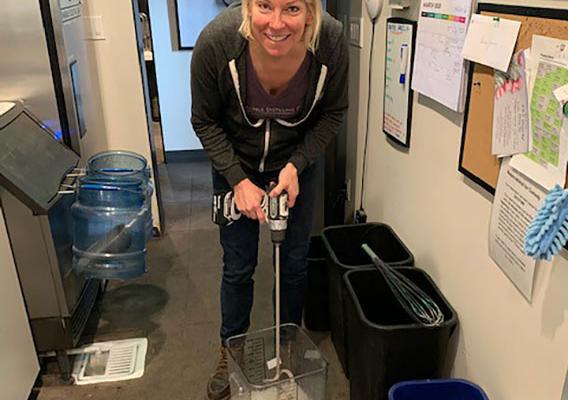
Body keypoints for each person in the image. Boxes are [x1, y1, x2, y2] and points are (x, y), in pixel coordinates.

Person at [190, 0, 348, 398]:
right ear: (247, 5)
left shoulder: (330, 41)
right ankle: (232, 350)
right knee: (238, 264)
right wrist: (237, 180)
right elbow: (204, 120)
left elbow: (333, 112)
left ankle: (287, 347)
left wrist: (297, 164)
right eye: (264, 6)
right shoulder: (217, 42)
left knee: (293, 264)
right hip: (236, 162)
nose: (276, 24)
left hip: (296, 165)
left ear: (310, 11)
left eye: (292, 8)